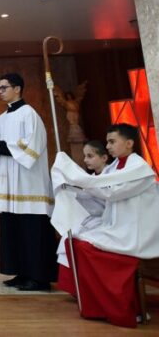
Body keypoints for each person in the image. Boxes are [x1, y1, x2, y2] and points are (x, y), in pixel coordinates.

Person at [51, 124, 159, 327]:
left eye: (112, 142)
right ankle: (99, 306)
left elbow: (110, 193)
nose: (108, 146)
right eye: (107, 142)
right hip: (117, 227)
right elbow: (99, 193)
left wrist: (78, 179)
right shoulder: (113, 167)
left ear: (129, 143)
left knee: (86, 247)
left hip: (135, 232)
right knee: (75, 242)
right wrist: (70, 188)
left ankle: (125, 309)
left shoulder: (139, 169)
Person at [0, 73, 56, 291]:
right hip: (10, 183)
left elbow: (32, 146)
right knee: (14, 228)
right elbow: (0, 145)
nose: (0, 92)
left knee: (32, 231)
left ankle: (39, 278)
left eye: (4, 87)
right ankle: (22, 273)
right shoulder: (2, 118)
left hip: (29, 183)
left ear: (17, 89)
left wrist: (1, 146)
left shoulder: (29, 114)